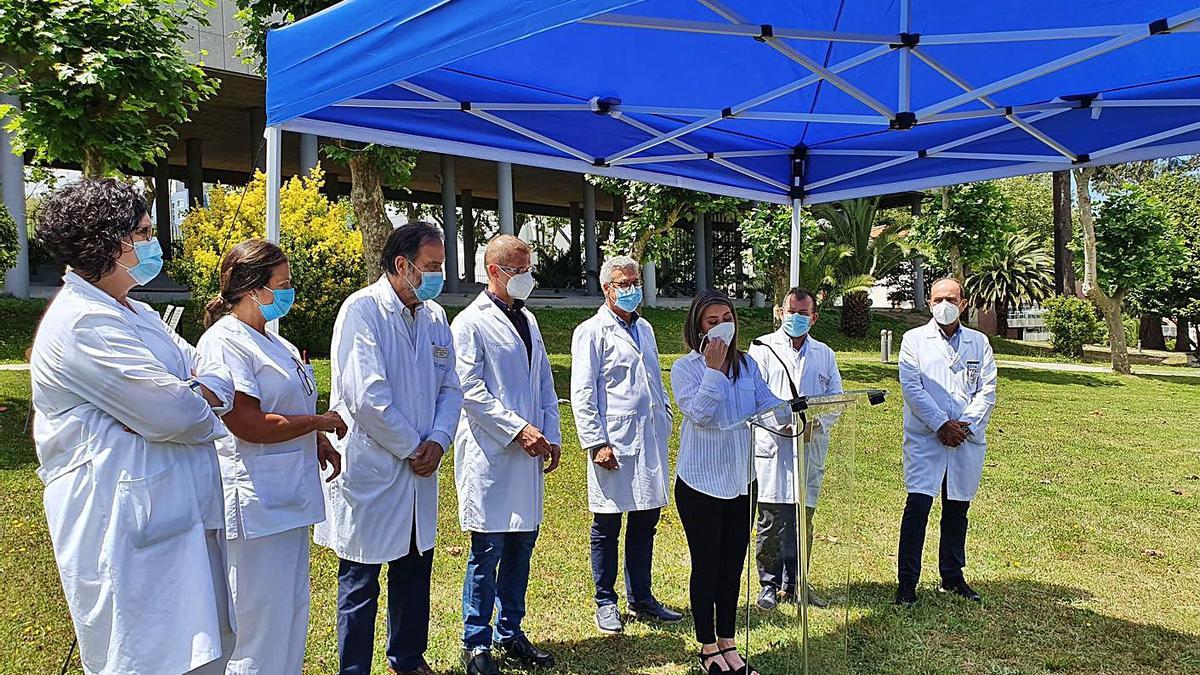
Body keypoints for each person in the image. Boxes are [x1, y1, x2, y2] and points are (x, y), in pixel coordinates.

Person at [29, 179, 236, 674]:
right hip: (121, 523)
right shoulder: (81, 322)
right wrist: (183, 399)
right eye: (142, 232)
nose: (152, 241)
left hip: (180, 508)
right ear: (107, 242)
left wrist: (186, 396)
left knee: (203, 652)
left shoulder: (138, 312)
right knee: (146, 658)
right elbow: (175, 414)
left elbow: (217, 378)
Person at [316, 222, 464, 675]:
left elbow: (451, 388)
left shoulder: (435, 316)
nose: (439, 276)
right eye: (432, 267)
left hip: (421, 464)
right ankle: (355, 668)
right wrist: (412, 447)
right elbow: (366, 397)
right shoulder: (361, 311)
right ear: (402, 265)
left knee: (415, 570)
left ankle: (408, 658)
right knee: (361, 578)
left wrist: (438, 441)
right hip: (374, 465)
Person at [196, 239, 346, 674]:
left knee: (288, 612)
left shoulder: (272, 341)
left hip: (289, 499)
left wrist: (314, 441)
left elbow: (289, 404)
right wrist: (318, 424)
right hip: (256, 502)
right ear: (253, 288)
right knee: (256, 623)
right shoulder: (224, 342)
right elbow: (248, 424)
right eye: (283, 284)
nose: (289, 292)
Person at [452, 235, 562, 675]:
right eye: (520, 271)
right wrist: (519, 431)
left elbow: (544, 384)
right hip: (491, 454)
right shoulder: (469, 323)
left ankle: (510, 631)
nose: (528, 278)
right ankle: (475, 641)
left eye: (529, 269)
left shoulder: (528, 320)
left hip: (529, 453)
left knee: (521, 547)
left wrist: (551, 434)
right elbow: (469, 390)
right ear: (495, 272)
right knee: (487, 551)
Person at [671, 290, 789, 675]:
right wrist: (713, 370)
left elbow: (768, 404)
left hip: (742, 481)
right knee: (707, 565)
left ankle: (728, 641)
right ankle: (707, 648)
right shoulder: (685, 369)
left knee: (732, 565)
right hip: (701, 483)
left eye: (727, 317)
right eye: (711, 319)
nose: (722, 324)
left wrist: (794, 414)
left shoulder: (748, 365)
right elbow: (701, 414)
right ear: (698, 326)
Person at [570, 256, 682, 635]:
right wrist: (595, 441)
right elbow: (583, 392)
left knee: (646, 519)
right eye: (624, 283)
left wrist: (665, 413)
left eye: (635, 281)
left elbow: (652, 378)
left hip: (648, 437)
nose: (632, 288)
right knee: (607, 522)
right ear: (607, 288)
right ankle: (605, 600)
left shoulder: (645, 329)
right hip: (613, 442)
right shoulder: (591, 331)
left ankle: (642, 597)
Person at [895, 278, 997, 606]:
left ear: (964, 304)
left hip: (964, 438)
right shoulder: (914, 340)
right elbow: (912, 388)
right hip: (927, 436)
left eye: (951, 299)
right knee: (918, 507)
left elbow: (987, 389)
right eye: (937, 299)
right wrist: (941, 424)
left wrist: (963, 427)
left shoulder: (979, 343)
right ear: (929, 303)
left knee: (957, 508)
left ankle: (952, 576)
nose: (943, 305)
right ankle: (907, 583)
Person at [748, 287, 843, 611]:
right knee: (772, 520)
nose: (796, 318)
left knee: (803, 519)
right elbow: (753, 395)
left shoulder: (824, 354)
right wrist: (779, 424)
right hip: (774, 444)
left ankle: (797, 583)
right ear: (780, 312)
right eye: (791, 311)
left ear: (814, 317)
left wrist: (815, 424)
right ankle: (769, 585)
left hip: (808, 444)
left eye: (803, 313)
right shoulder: (761, 348)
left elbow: (836, 399)